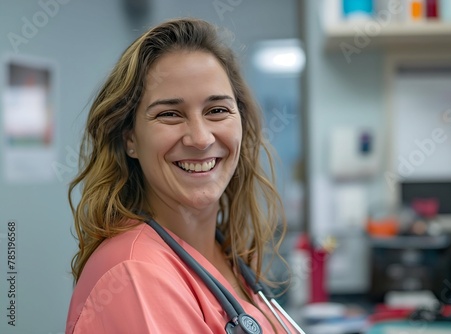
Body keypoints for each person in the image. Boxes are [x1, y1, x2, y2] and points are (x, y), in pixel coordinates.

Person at [66, 18, 303, 333]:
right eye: (169, 114)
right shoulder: (133, 277)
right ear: (130, 139)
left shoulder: (226, 253)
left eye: (217, 110)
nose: (201, 138)